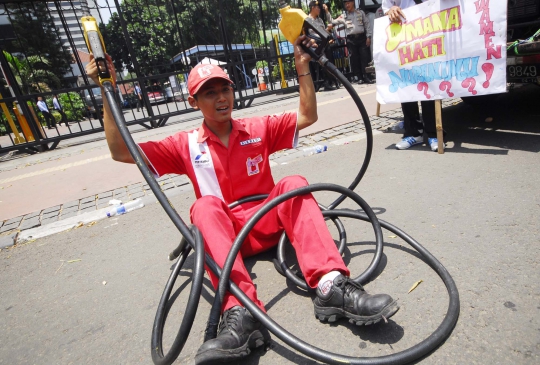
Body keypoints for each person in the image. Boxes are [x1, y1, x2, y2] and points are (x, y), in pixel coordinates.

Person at [86, 35, 398, 365]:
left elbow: (307, 117)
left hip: (267, 221)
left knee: (294, 183)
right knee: (202, 207)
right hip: (227, 236)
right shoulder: (184, 145)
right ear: (194, 102)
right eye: (210, 93)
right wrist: (106, 91)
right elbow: (121, 151)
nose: (221, 98)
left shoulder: (256, 128)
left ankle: (331, 286)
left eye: (225, 89)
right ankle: (240, 311)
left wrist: (302, 66)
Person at [382, 0, 445, 151]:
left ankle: (434, 134)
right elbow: (387, 6)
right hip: (404, 34)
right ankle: (413, 133)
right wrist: (391, 10)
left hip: (430, 28)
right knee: (407, 83)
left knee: (429, 81)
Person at [337, 0, 374, 84]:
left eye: (348, 3)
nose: (347, 5)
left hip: (361, 37)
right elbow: (335, 22)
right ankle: (360, 77)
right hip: (351, 39)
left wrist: (368, 36)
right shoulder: (344, 16)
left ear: (353, 2)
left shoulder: (360, 13)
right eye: (345, 3)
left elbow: (367, 24)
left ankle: (367, 76)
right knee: (355, 59)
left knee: (365, 57)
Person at [306, 0, 337, 91]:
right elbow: (306, 34)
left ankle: (330, 81)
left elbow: (323, 32)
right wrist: (312, 42)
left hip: (324, 44)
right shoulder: (307, 20)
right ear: (312, 8)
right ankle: (324, 83)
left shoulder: (320, 20)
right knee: (323, 62)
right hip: (315, 45)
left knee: (329, 61)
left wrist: (328, 29)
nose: (319, 9)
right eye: (317, 7)